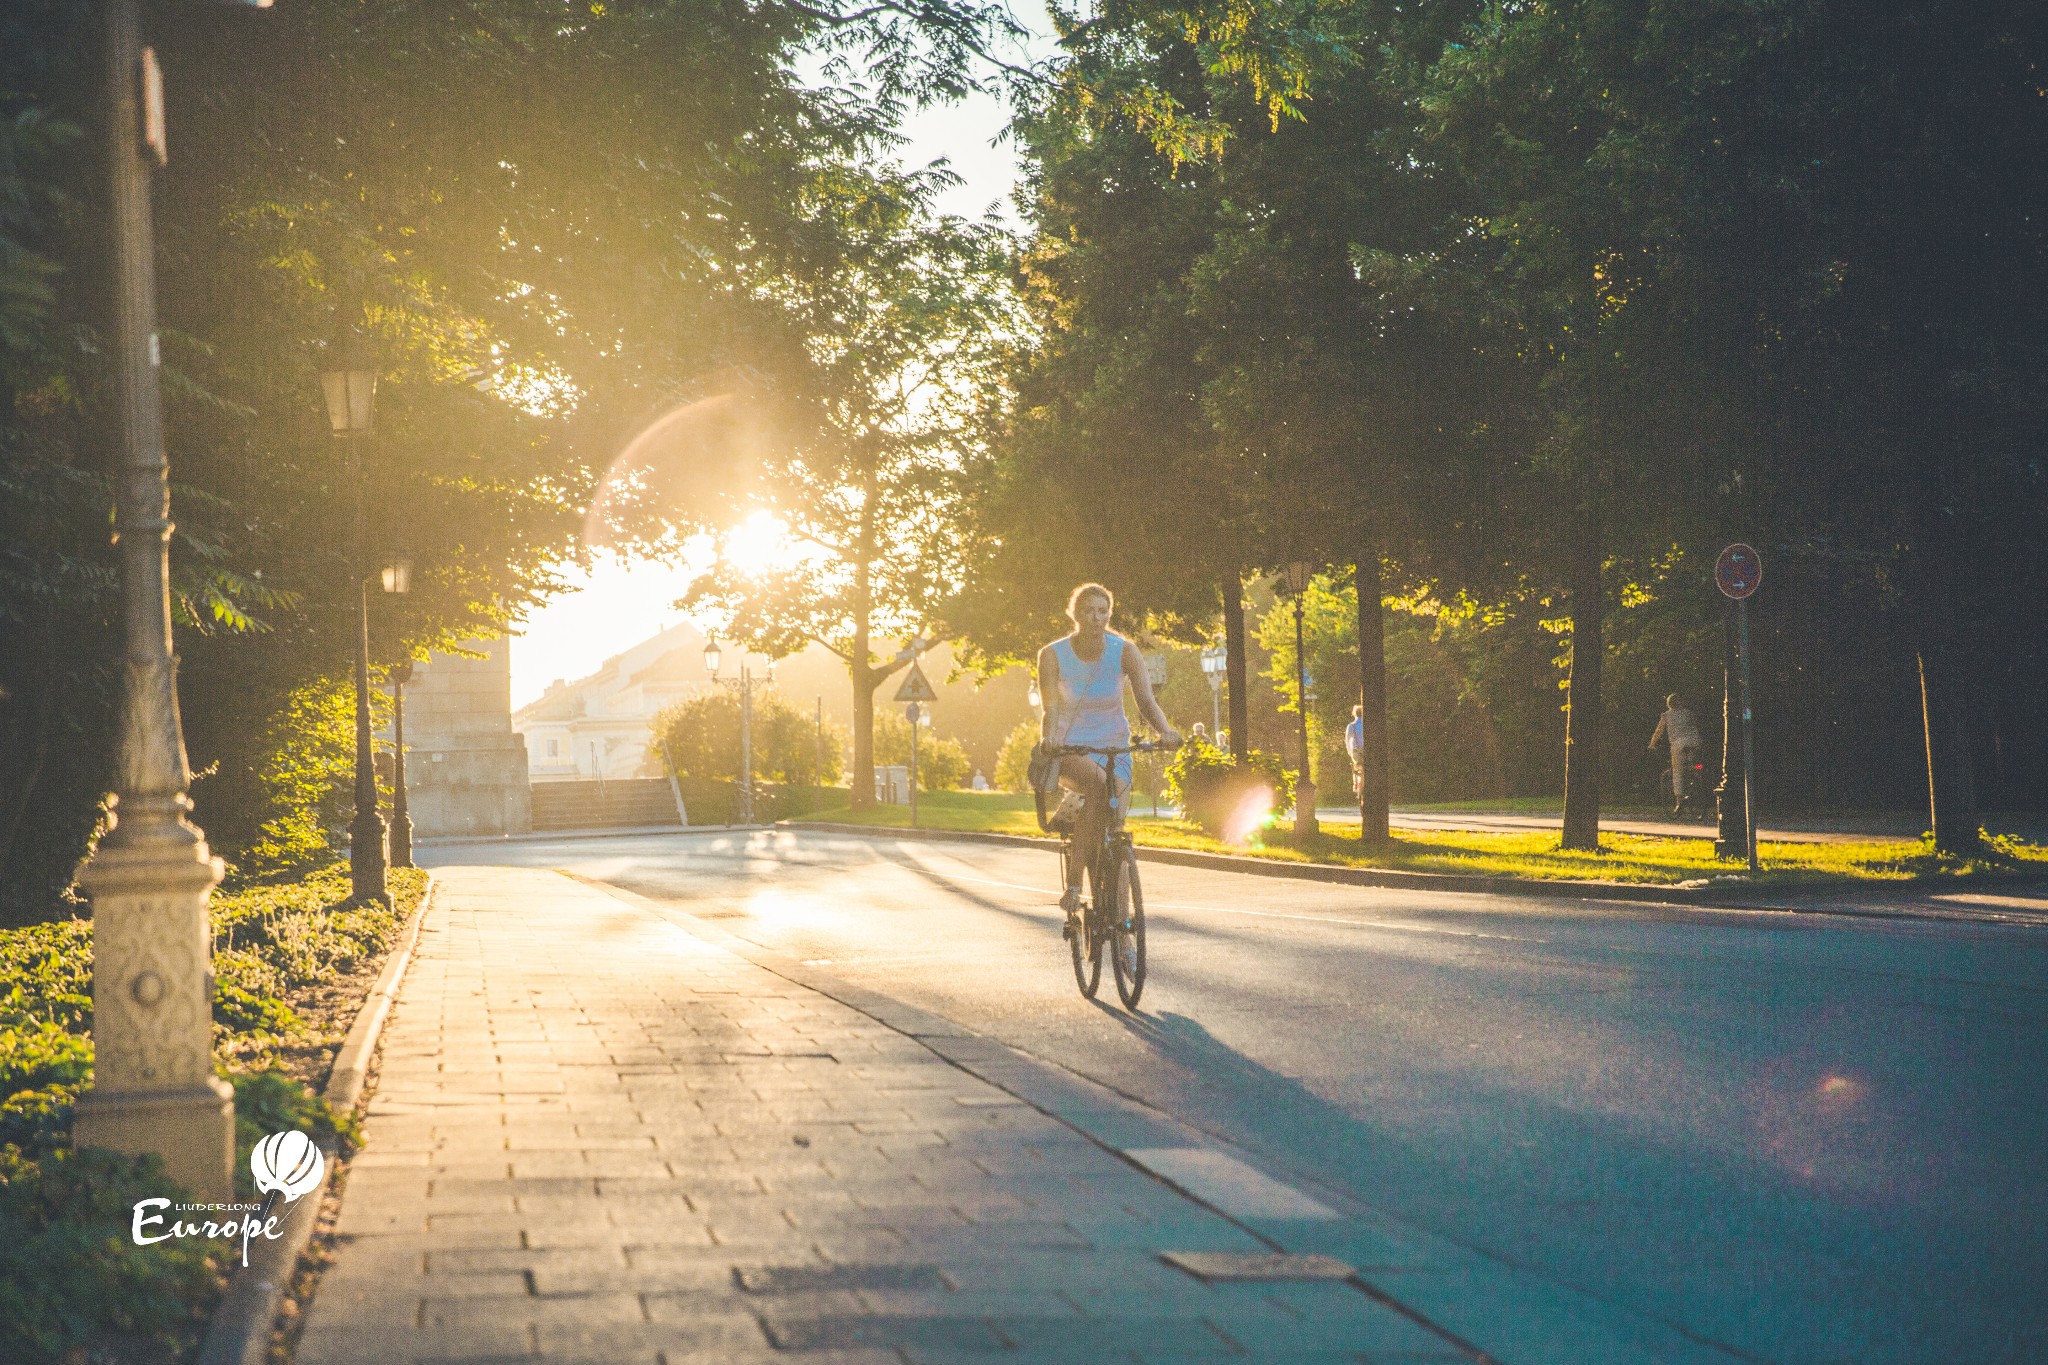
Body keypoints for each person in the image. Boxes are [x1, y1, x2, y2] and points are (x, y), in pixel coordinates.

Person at [1036, 583, 1179, 924]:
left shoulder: (1124, 651)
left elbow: (1146, 701)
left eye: (1102, 611)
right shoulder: (1053, 654)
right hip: (1072, 747)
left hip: (1116, 746)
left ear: (1109, 614)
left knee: (1115, 827)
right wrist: (1050, 738)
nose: (1096, 618)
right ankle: (1073, 886)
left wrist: (1166, 731)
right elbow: (1050, 707)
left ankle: (1121, 923)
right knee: (1101, 787)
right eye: (1088, 611)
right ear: (1074, 614)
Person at [1648, 692, 1704, 815]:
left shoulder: (1666, 715)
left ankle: (1679, 802)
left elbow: (1658, 731)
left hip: (1679, 745)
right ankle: (1697, 776)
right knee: (1695, 764)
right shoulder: (1689, 713)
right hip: (1695, 742)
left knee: (1677, 771)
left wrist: (1652, 744)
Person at [1344, 704, 1365, 798]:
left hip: (1356, 753)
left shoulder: (1351, 726)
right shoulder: (1367, 725)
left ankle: (1358, 787)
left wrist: (1350, 752)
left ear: (1354, 714)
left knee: (1358, 770)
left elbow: (1347, 741)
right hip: (1366, 751)